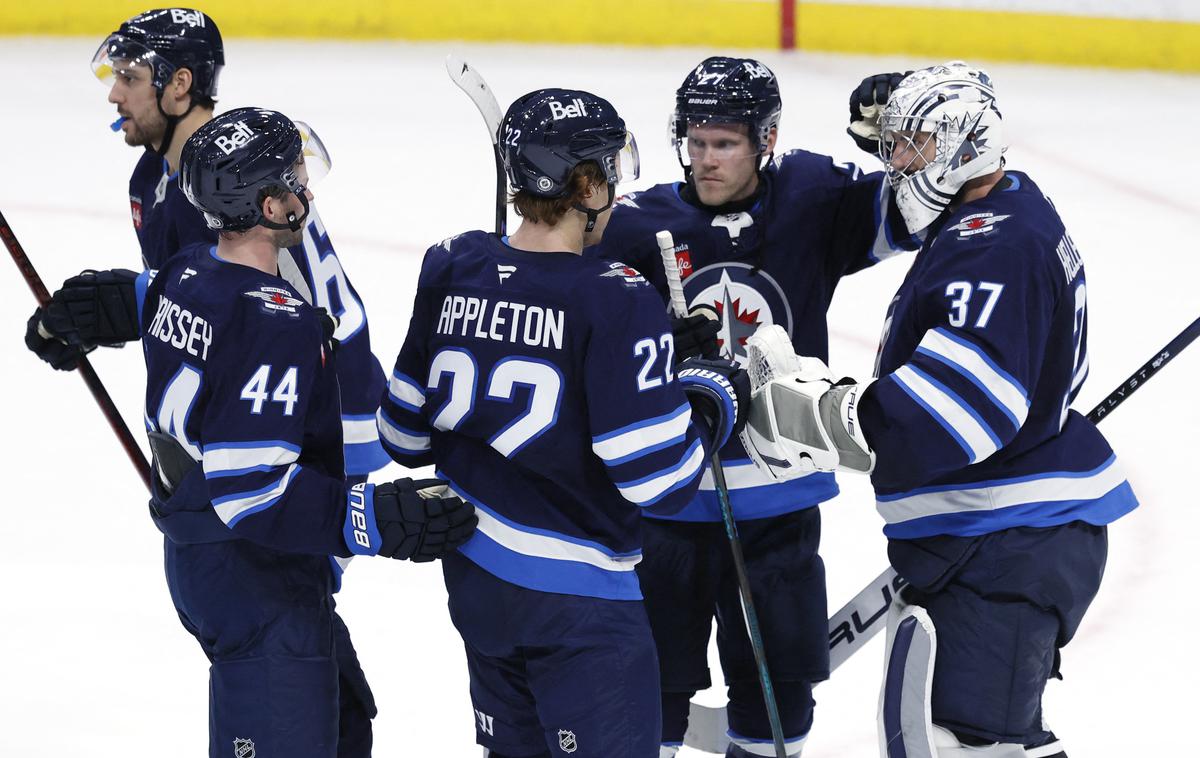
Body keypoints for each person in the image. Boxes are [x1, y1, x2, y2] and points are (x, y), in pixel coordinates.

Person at [738, 61, 1139, 758]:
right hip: (996, 537)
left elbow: (954, 415)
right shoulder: (1001, 207)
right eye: (895, 144)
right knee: (943, 740)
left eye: (913, 144)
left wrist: (813, 414)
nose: (897, 162)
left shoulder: (995, 248)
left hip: (1007, 542)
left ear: (964, 145)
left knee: (971, 748)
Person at [376, 88, 749, 758]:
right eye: (608, 169)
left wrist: (640, 357)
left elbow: (402, 437)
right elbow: (657, 479)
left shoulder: (453, 263)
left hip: (479, 589)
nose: (616, 185)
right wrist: (711, 394)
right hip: (579, 612)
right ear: (583, 183)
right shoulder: (617, 295)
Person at [587, 56, 917, 757]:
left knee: (780, 691)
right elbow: (573, 328)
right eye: (696, 141)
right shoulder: (632, 227)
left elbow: (920, 210)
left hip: (779, 495)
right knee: (653, 688)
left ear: (765, 140)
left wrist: (901, 134)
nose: (706, 160)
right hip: (669, 501)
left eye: (725, 143)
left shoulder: (811, 197)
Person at [137, 107, 476, 757]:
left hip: (200, 555)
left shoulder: (184, 273)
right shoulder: (275, 320)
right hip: (256, 574)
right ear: (266, 204)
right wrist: (374, 516)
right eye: (295, 181)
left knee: (343, 723)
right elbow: (252, 491)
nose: (307, 193)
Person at [25, 7, 390, 478]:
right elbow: (200, 308)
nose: (115, 94)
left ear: (178, 84)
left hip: (316, 430)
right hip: (257, 411)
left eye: (130, 79)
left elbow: (269, 319)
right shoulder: (157, 179)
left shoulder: (238, 191)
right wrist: (97, 315)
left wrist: (126, 304)